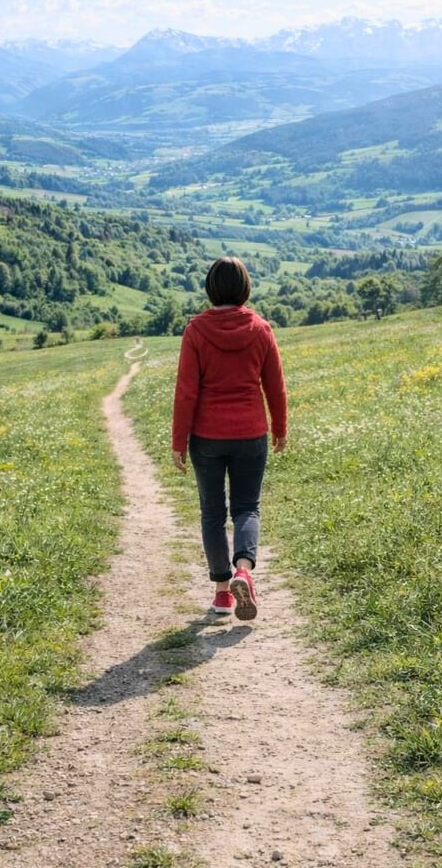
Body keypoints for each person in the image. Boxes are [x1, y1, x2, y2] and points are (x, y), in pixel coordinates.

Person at [171, 257, 288, 620]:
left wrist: (178, 441)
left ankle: (222, 594)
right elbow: (275, 387)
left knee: (212, 513)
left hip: (206, 435)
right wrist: (280, 428)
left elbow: (186, 392)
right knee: (246, 508)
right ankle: (243, 571)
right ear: (245, 287)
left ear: (210, 287)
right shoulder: (262, 328)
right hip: (251, 432)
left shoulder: (196, 331)